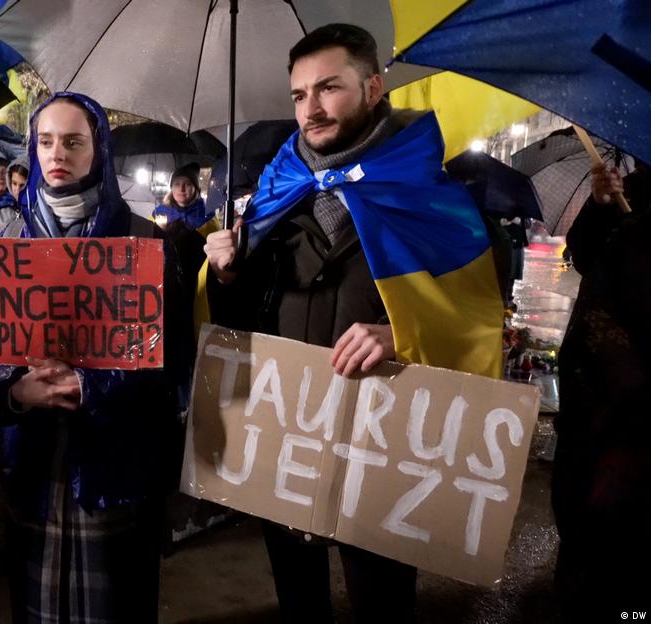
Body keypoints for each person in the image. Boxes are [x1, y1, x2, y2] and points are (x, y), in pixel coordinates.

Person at [203, 23, 503, 623]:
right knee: (297, 599)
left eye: (328, 89)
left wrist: (401, 336)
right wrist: (228, 275)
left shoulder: (437, 197)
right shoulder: (274, 192)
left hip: (384, 445)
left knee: (383, 601)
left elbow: (480, 322)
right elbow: (235, 332)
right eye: (298, 95)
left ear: (373, 87)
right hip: (286, 439)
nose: (310, 109)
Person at [0, 92, 190, 623]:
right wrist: (13, 393)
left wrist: (95, 387)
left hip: (114, 470)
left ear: (99, 150)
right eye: (45, 141)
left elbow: (175, 361)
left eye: (73, 141)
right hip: (33, 470)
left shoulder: (146, 243)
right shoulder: (4, 241)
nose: (56, 154)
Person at [552, 161, 650, 620]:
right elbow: (584, 254)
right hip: (592, 390)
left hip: (638, 402)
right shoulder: (633, 184)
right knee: (579, 511)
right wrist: (600, 204)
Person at [151, 161, 213, 290]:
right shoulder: (159, 214)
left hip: (195, 284)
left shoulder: (207, 217)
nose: (181, 189)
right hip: (165, 283)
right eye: (177, 184)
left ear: (196, 188)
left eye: (188, 184)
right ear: (171, 188)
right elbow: (146, 250)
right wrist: (158, 234)